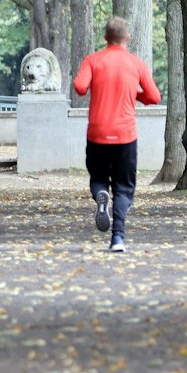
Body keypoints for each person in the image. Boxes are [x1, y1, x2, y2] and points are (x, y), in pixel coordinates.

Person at [72, 16, 161, 252]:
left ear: (105, 38)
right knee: (123, 187)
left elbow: (80, 87)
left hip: (97, 133)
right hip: (125, 135)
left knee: (99, 178)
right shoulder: (136, 63)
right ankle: (118, 239)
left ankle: (101, 194)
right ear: (127, 37)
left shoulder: (93, 60)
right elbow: (154, 97)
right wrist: (134, 93)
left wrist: (96, 84)